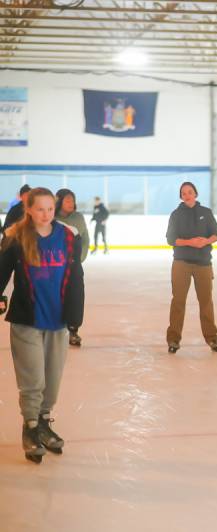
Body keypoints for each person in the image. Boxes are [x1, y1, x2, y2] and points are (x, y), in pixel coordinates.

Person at [0, 188, 85, 463]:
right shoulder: (15, 237)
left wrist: (76, 317)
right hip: (27, 319)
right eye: (40, 209)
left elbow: (76, 278)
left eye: (50, 209)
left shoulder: (69, 236)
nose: (46, 214)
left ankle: (45, 421)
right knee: (32, 380)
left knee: (52, 379)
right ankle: (31, 427)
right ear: (29, 209)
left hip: (57, 320)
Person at [165, 182, 217, 354]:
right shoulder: (176, 215)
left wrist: (205, 241)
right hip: (181, 263)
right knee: (178, 302)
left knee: (206, 302)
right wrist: (190, 242)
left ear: (195, 193)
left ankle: (212, 338)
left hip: (203, 263)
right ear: (181, 196)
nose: (187, 195)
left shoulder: (206, 212)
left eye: (190, 192)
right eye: (183, 193)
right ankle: (173, 340)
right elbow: (171, 239)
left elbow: (216, 233)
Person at [55, 189, 90, 347]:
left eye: (72, 200)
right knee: (56, 298)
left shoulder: (78, 217)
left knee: (75, 297)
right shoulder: (52, 218)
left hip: (74, 265)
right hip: (54, 266)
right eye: (67, 200)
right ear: (59, 201)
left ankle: (74, 330)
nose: (71, 203)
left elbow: (85, 240)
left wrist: (78, 259)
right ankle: (54, 330)